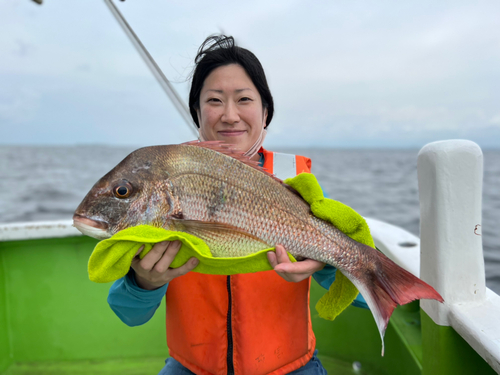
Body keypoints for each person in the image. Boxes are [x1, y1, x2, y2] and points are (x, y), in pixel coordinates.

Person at [108, 35, 367, 375]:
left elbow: (363, 295)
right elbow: (129, 314)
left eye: (244, 99)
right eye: (214, 100)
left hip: (291, 367)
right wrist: (145, 283)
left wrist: (325, 261)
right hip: (191, 367)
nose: (230, 116)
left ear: (265, 111)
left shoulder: (297, 186)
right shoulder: (162, 184)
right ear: (197, 113)